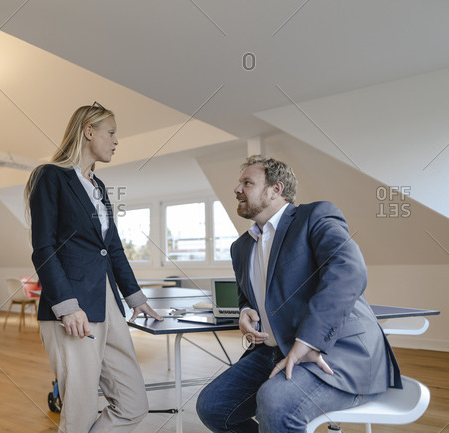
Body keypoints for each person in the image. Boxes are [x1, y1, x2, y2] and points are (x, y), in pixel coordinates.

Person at [196, 155, 401, 433]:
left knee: (276, 401)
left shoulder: (315, 216)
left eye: (247, 182)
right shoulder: (240, 247)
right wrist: (245, 312)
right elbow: (247, 296)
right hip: (274, 351)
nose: (236, 189)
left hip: (336, 355)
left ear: (276, 189)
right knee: (212, 406)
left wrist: (310, 341)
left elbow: (348, 270)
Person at [25, 102, 162, 433]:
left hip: (108, 302)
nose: (116, 141)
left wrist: (135, 296)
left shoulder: (98, 187)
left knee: (133, 404)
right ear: (88, 131)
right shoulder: (50, 176)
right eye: (112, 132)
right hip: (72, 305)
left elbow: (111, 247)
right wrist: (66, 306)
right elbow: (43, 247)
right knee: (79, 412)